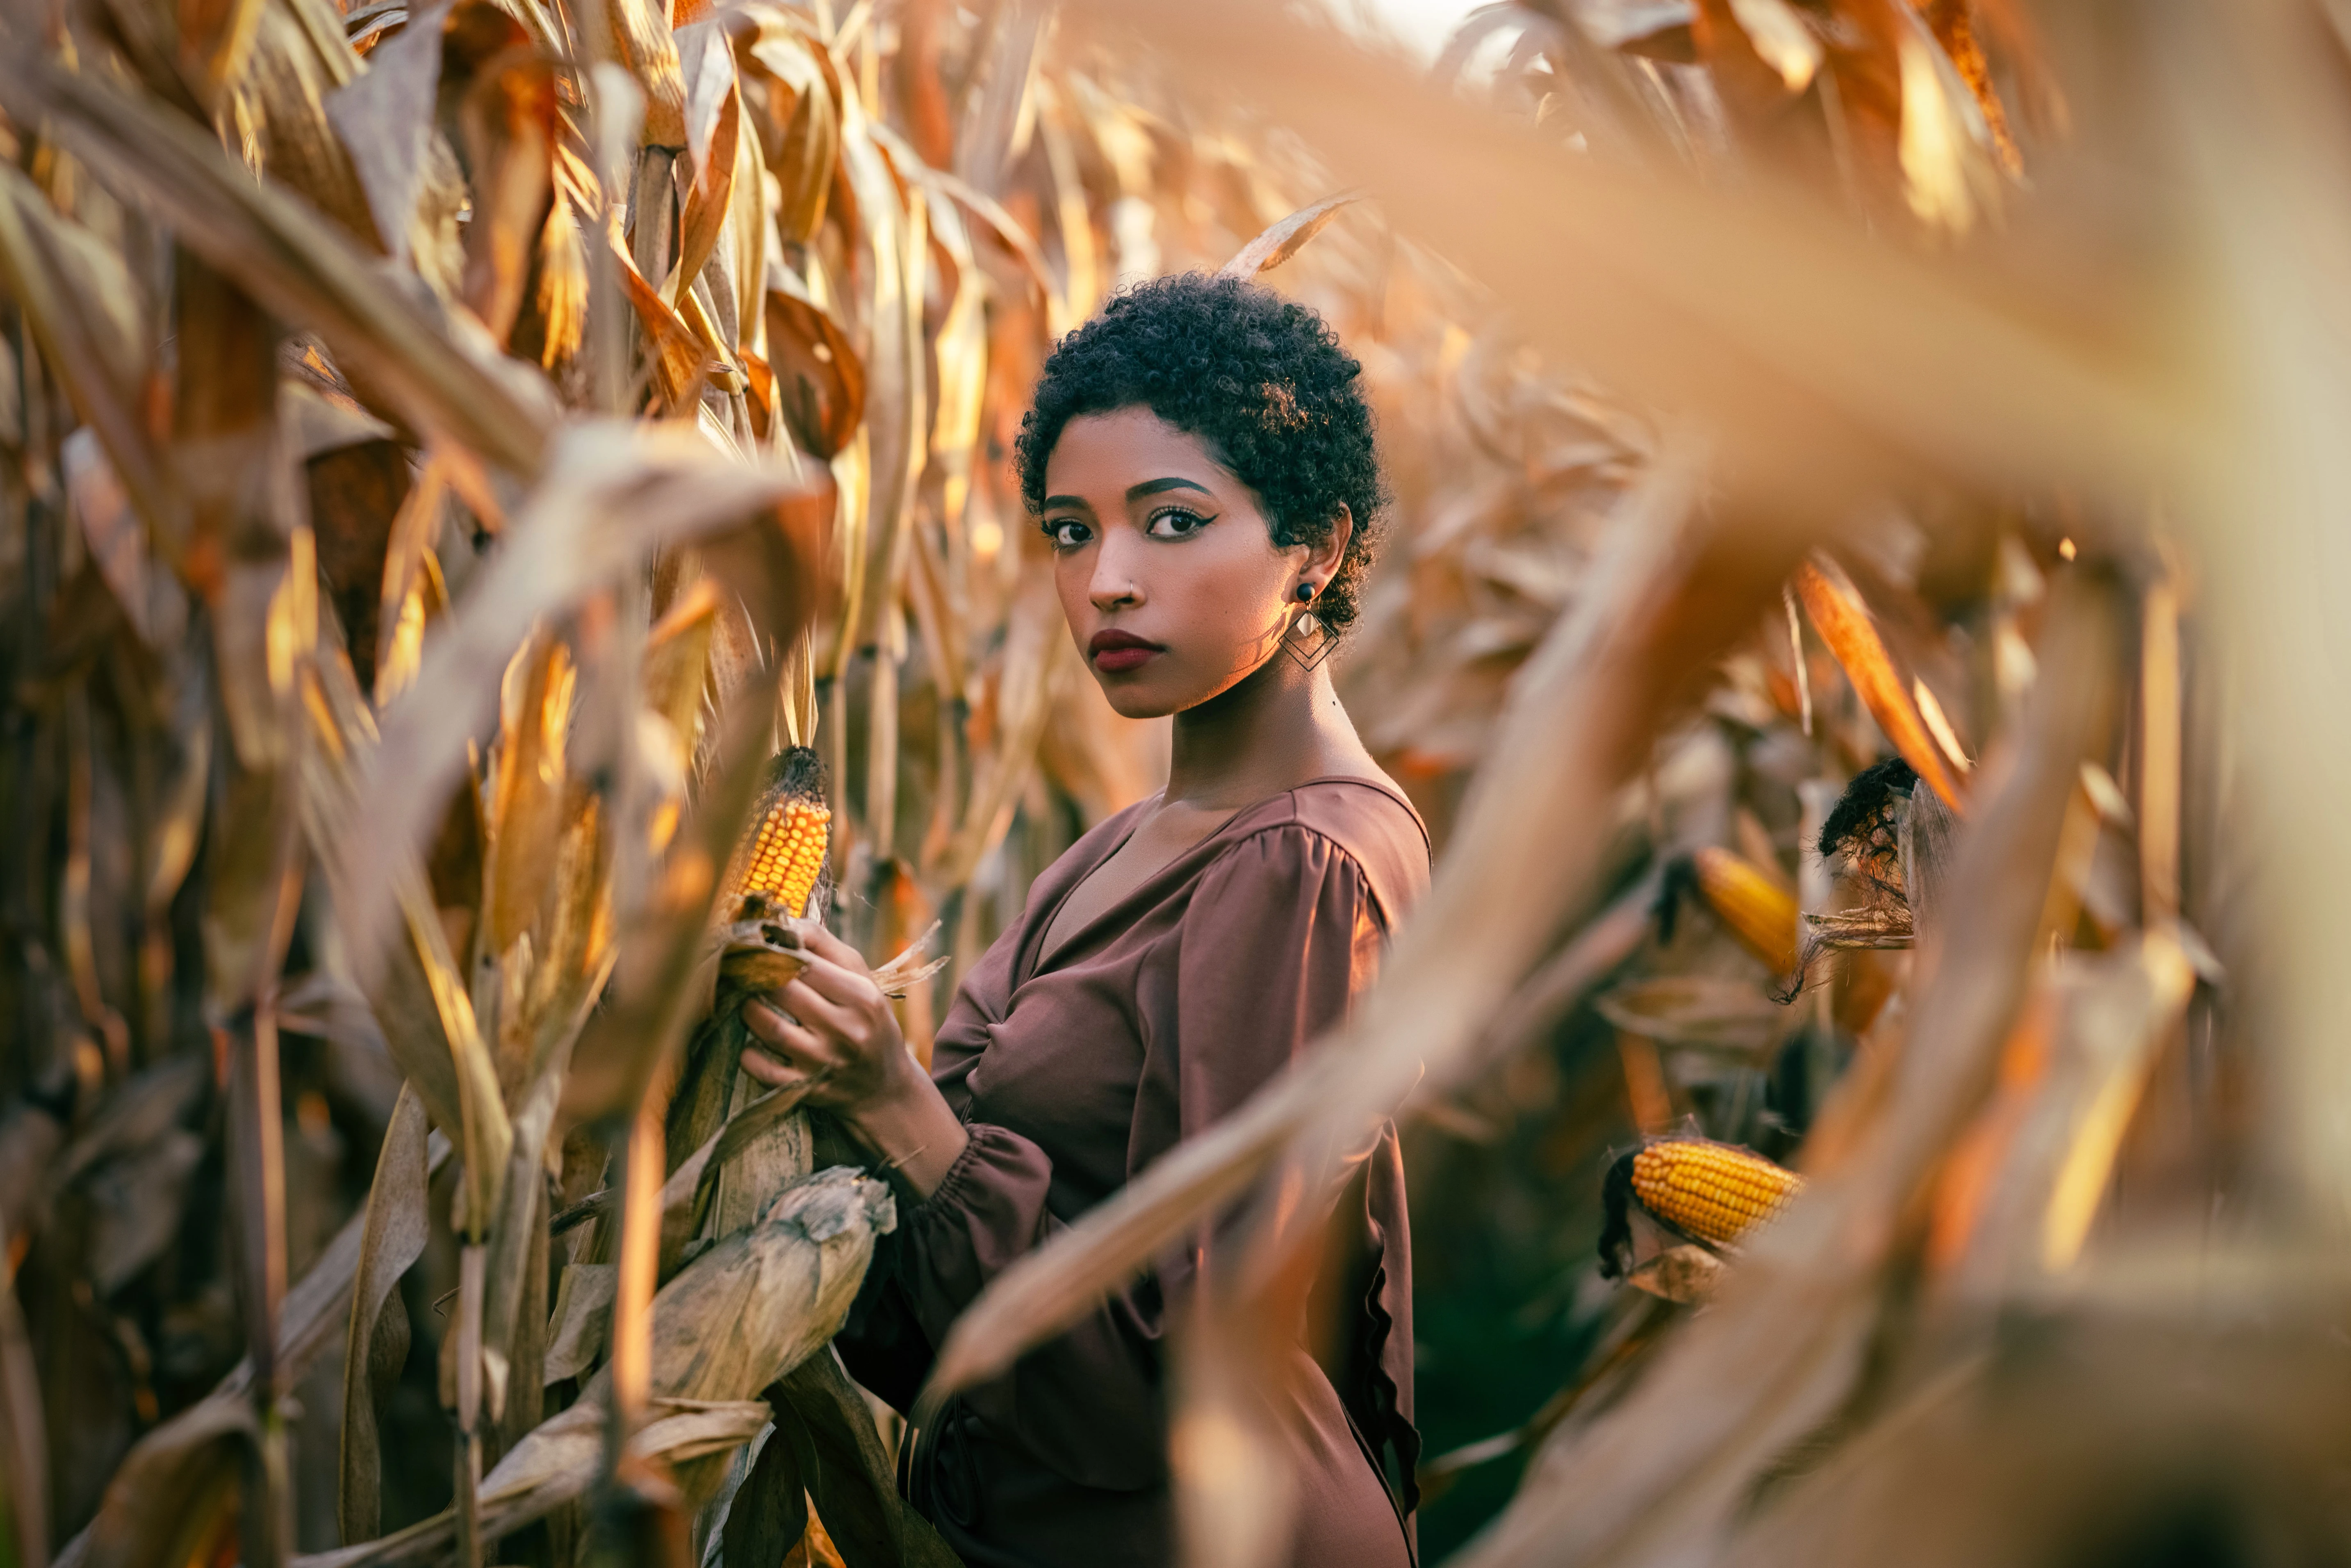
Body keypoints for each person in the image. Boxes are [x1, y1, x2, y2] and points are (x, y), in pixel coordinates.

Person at [738, 273, 1427, 1567]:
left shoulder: (1304, 864)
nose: (1105, 582)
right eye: (1069, 530)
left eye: (1171, 523)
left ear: (1316, 548)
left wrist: (893, 1097)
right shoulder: (1121, 848)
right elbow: (927, 1297)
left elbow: (1189, 1383)